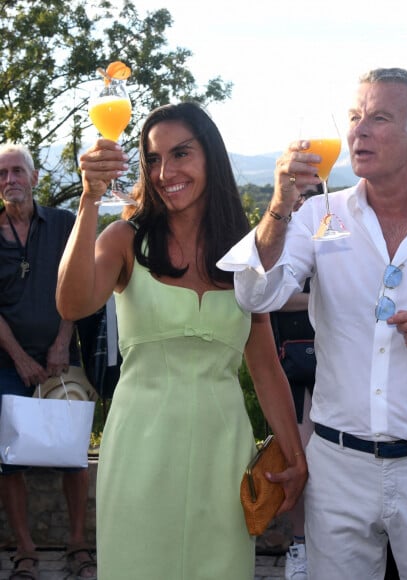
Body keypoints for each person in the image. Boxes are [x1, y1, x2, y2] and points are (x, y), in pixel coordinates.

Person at [217, 67, 407, 580]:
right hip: (338, 465)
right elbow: (256, 293)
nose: (358, 131)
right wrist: (279, 205)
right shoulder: (319, 214)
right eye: (354, 117)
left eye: (378, 118)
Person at [55, 102, 308, 580]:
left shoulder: (245, 253)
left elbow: (265, 366)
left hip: (224, 451)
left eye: (181, 154)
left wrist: (295, 456)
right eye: (153, 159)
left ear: (211, 157)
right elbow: (71, 305)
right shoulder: (124, 239)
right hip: (139, 447)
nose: (165, 171)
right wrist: (89, 200)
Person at [0, 144, 96, 579]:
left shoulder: (63, 224)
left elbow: (80, 283)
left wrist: (62, 341)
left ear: (35, 178)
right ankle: (25, 551)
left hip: (62, 358)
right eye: (1, 175)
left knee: (73, 453)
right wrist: (19, 357)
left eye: (17, 171)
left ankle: (78, 545)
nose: (9, 181)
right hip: (6, 361)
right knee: (8, 459)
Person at [270, 185, 321, 580]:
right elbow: (272, 297)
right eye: (300, 193)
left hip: (337, 368)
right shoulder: (276, 238)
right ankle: (300, 546)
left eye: (314, 192)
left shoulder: (334, 232)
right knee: (298, 460)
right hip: (292, 371)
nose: (305, 200)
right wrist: (321, 296)